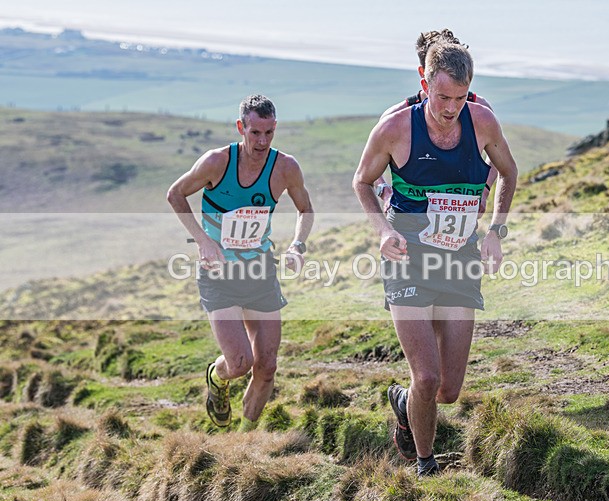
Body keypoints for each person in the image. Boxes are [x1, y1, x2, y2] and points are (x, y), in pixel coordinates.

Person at [352, 43, 517, 475]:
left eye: (460, 98)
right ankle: (426, 463)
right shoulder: (395, 129)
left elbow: (509, 171)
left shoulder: (481, 121)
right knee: (425, 376)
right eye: (442, 97)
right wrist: (384, 230)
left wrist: (496, 230)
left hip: (458, 257)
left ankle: (405, 402)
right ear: (424, 84)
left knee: (447, 390)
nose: (450, 108)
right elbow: (362, 182)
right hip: (408, 255)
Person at [167, 94, 314, 432]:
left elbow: (306, 209)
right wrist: (203, 241)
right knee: (239, 363)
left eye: (269, 133)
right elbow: (175, 194)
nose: (262, 141)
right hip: (218, 275)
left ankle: (243, 439)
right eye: (255, 133)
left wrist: (297, 245)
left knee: (267, 365)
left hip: (260, 272)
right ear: (241, 128)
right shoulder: (217, 162)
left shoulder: (285, 168)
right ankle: (216, 378)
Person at [373, 29, 498, 216]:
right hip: (408, 221)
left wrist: (484, 191)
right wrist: (385, 191)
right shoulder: (396, 116)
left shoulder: (479, 109)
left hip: (459, 221)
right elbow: (368, 170)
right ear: (424, 72)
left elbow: (498, 155)